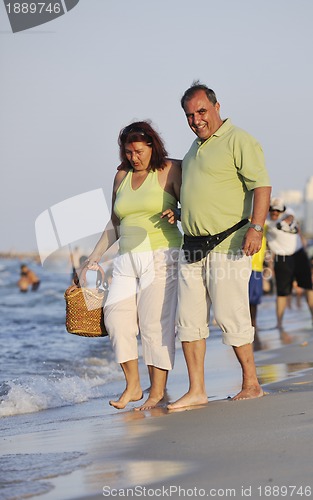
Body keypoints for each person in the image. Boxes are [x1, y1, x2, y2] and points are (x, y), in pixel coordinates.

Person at [167, 82, 271, 410]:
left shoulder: (238, 139)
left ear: (217, 107)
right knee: (189, 320)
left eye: (201, 111)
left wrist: (256, 228)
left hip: (229, 243)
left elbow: (262, 186)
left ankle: (252, 384)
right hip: (192, 247)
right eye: (189, 115)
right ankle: (197, 390)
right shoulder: (193, 150)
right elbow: (204, 194)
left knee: (230, 315)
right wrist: (179, 212)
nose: (196, 120)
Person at [86, 121, 182, 411]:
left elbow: (192, 203)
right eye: (128, 152)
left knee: (155, 324)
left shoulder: (170, 170)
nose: (133, 157)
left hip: (162, 253)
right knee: (116, 317)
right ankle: (134, 385)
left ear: (153, 146)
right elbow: (115, 222)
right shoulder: (121, 176)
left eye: (139, 151)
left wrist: (177, 211)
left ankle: (158, 391)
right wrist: (94, 258)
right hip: (126, 257)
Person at [266, 197, 313, 330]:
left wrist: (286, 220)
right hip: (281, 258)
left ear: (282, 210)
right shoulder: (266, 221)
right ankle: (279, 324)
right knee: (282, 292)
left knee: (308, 287)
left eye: (277, 211)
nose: (274, 213)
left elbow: (291, 216)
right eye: (272, 210)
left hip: (298, 254)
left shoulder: (288, 213)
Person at [249, 231, 267, 350]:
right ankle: (247, 325)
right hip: (247, 267)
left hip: (258, 269)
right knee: (246, 299)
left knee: (255, 300)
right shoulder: (247, 223)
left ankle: (253, 324)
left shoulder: (265, 225)